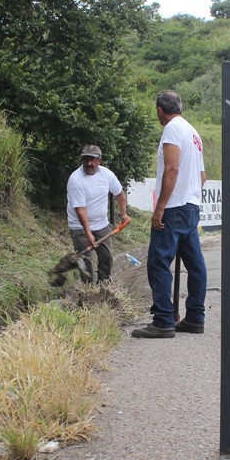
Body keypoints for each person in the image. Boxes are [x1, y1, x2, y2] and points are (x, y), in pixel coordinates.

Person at [132, 91, 207, 338]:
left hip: (174, 207)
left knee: (158, 263)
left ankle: (163, 319)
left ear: (159, 110)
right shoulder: (193, 133)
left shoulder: (172, 130)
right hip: (191, 206)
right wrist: (190, 198)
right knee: (195, 264)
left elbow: (172, 168)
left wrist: (161, 206)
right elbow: (202, 177)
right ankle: (195, 318)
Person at [66, 144, 129, 284]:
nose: (89, 163)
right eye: (86, 159)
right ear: (82, 160)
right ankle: (89, 292)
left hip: (101, 225)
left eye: (93, 159)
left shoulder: (106, 174)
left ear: (99, 160)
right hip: (80, 227)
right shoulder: (76, 180)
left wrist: (123, 214)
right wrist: (88, 234)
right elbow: (80, 210)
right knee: (86, 263)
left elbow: (119, 194)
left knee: (106, 258)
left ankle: (104, 288)